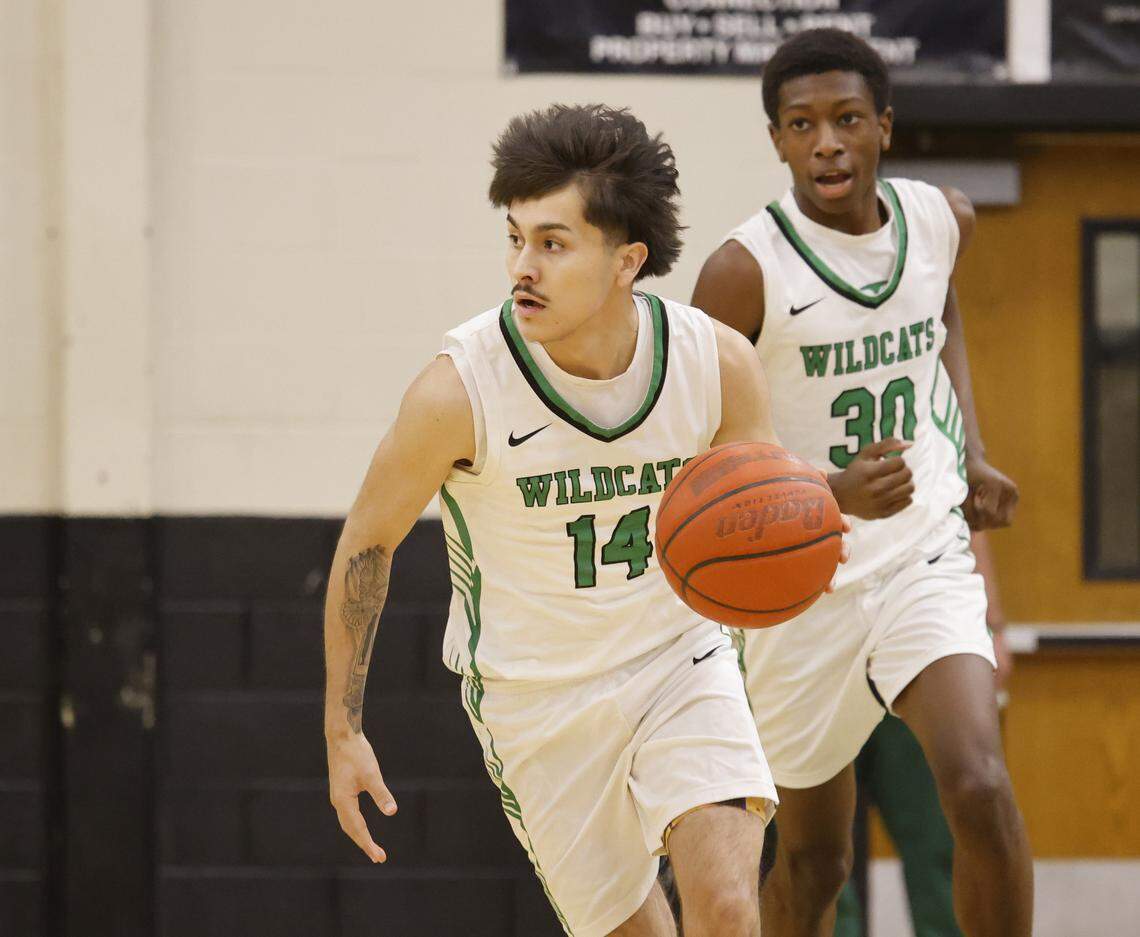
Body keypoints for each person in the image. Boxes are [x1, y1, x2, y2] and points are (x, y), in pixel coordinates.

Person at [323, 103, 815, 937]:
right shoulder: (459, 391)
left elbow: (765, 522)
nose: (523, 267)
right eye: (515, 238)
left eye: (552, 243)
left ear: (627, 260)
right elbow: (368, 542)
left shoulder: (716, 364)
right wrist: (343, 728)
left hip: (681, 659)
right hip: (537, 697)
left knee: (730, 905)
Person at [691, 29, 1033, 937]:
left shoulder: (942, 220)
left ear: (884, 124)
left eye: (847, 119)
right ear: (777, 141)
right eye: (802, 125)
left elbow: (939, 310)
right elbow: (694, 453)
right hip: (800, 584)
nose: (827, 143)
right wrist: (826, 493)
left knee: (979, 784)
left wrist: (969, 452)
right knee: (816, 864)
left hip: (920, 553)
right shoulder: (741, 271)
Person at [831, 530, 1013, 937]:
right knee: (816, 862)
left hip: (914, 632)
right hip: (812, 640)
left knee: (943, 840)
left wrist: (993, 624)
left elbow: (967, 507)